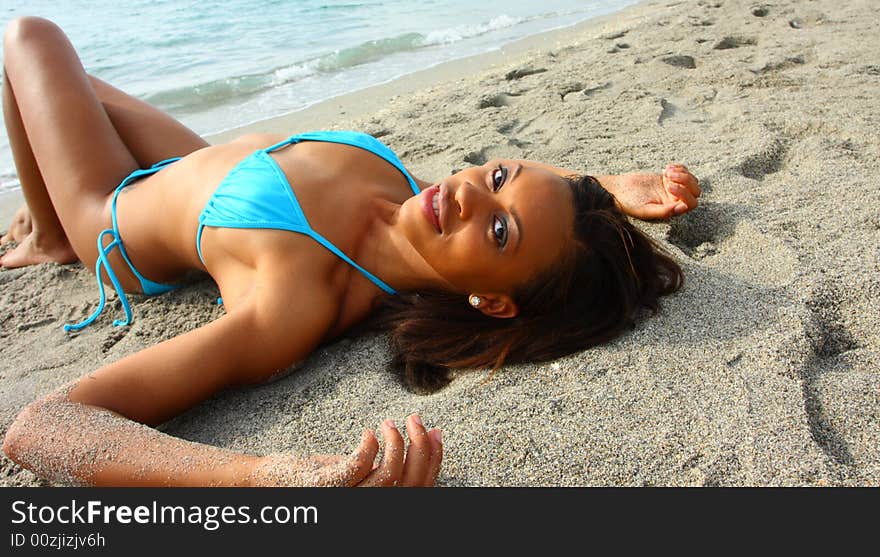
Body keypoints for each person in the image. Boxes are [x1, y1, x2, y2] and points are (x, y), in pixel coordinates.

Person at [0, 17, 700, 487]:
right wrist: (603, 187)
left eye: (497, 232)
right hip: (210, 164)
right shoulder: (421, 203)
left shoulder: (296, 299)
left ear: (490, 299)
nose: (462, 195)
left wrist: (265, 475)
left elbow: (44, 426)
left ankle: (60, 233)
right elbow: (520, 202)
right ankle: (42, 226)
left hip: (117, 220)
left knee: (28, 38)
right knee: (73, 87)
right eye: (494, 176)